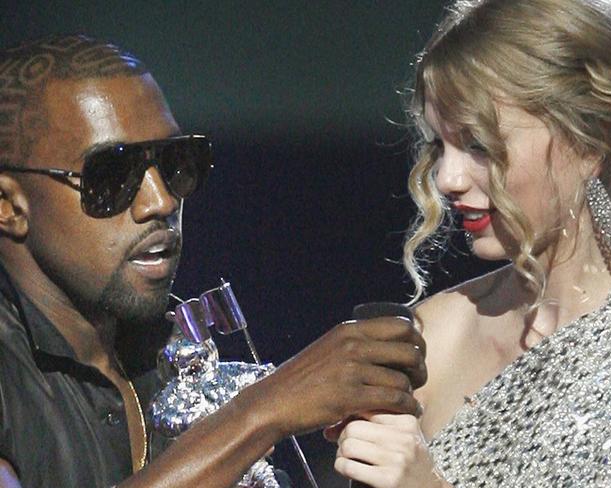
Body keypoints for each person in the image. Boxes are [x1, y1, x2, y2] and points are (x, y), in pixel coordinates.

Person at [0, 34, 427, 488]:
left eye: (174, 161)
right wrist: (264, 411)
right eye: (111, 175)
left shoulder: (179, 353)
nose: (161, 200)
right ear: (9, 204)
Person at [333, 0, 611, 486]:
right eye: (441, 146)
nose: (447, 177)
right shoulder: (433, 338)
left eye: (479, 144)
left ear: (588, 140)